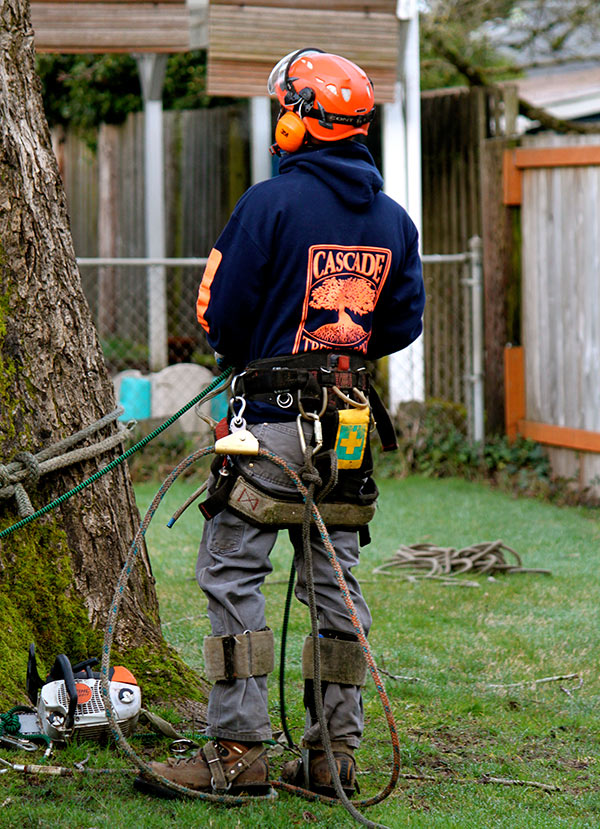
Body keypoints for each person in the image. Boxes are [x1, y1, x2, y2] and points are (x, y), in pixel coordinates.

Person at [138, 47, 425, 800]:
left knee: (232, 569)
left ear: (302, 122)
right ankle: (334, 756)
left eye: (283, 109)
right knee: (334, 577)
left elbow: (220, 313)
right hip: (351, 428)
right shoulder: (394, 221)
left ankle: (238, 752)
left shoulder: (268, 205)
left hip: (270, 420)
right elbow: (401, 322)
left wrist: (264, 347)